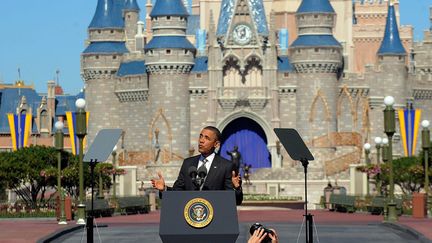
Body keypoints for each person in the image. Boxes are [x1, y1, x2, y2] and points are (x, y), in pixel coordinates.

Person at [151, 126, 243, 205]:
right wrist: (164, 189)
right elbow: (177, 192)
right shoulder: (188, 163)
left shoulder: (226, 166)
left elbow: (235, 201)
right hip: (189, 219)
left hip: (215, 220)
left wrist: (237, 188)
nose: (201, 141)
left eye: (207, 138)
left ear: (216, 144)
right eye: (201, 136)